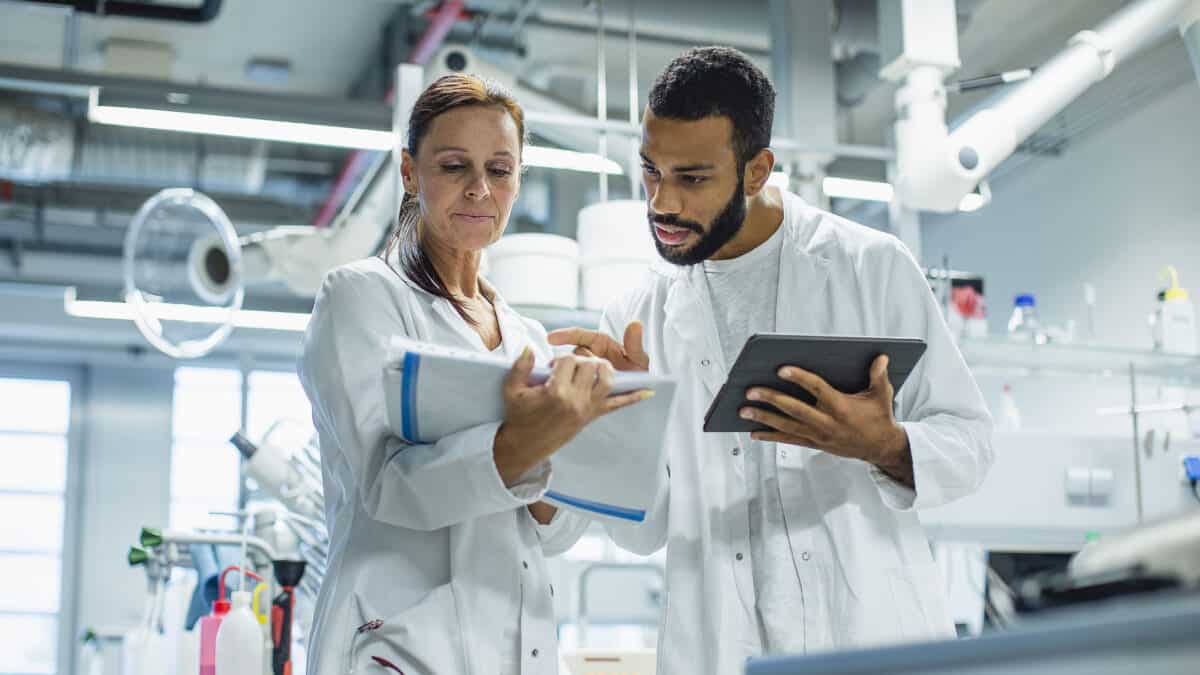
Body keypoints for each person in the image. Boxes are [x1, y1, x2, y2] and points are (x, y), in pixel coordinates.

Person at [544, 47, 995, 674]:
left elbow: (971, 441)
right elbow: (641, 534)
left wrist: (885, 445)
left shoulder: (869, 267)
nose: (661, 204)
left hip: (865, 639)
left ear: (757, 171)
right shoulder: (634, 316)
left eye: (693, 178)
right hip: (716, 649)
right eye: (651, 171)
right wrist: (624, 438)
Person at [299, 73, 648, 675]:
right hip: (398, 641)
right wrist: (526, 440)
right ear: (411, 173)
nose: (481, 189)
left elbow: (552, 533)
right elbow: (389, 487)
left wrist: (601, 417)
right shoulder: (361, 298)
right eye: (455, 166)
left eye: (501, 169)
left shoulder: (527, 337)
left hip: (516, 644)